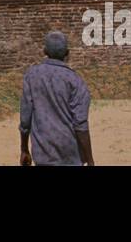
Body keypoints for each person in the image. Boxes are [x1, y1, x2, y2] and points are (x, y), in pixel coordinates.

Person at [19, 31, 94, 167]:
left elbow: (25, 120)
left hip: (43, 152)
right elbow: (80, 124)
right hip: (70, 153)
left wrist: (24, 149)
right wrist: (90, 160)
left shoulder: (32, 76)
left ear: (44, 51)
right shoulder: (75, 81)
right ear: (67, 53)